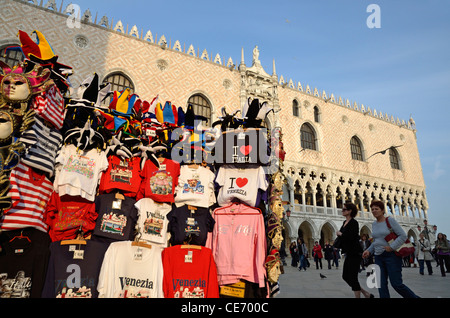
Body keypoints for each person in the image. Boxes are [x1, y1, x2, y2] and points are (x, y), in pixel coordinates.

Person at [362, 200, 419, 298]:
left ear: (382, 210)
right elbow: (376, 241)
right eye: (372, 209)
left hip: (391, 256)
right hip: (378, 257)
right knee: (381, 285)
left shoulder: (390, 221)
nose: (374, 211)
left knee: (396, 284)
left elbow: (403, 236)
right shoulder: (374, 224)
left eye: (376, 209)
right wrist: (369, 250)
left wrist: (392, 247)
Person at [336, 202, 373, 298]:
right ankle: (366, 293)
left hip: (355, 253)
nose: (342, 211)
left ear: (350, 211)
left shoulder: (354, 223)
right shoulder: (345, 223)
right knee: (345, 277)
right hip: (349, 253)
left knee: (353, 277)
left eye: (344, 209)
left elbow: (352, 237)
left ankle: (359, 296)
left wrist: (341, 234)